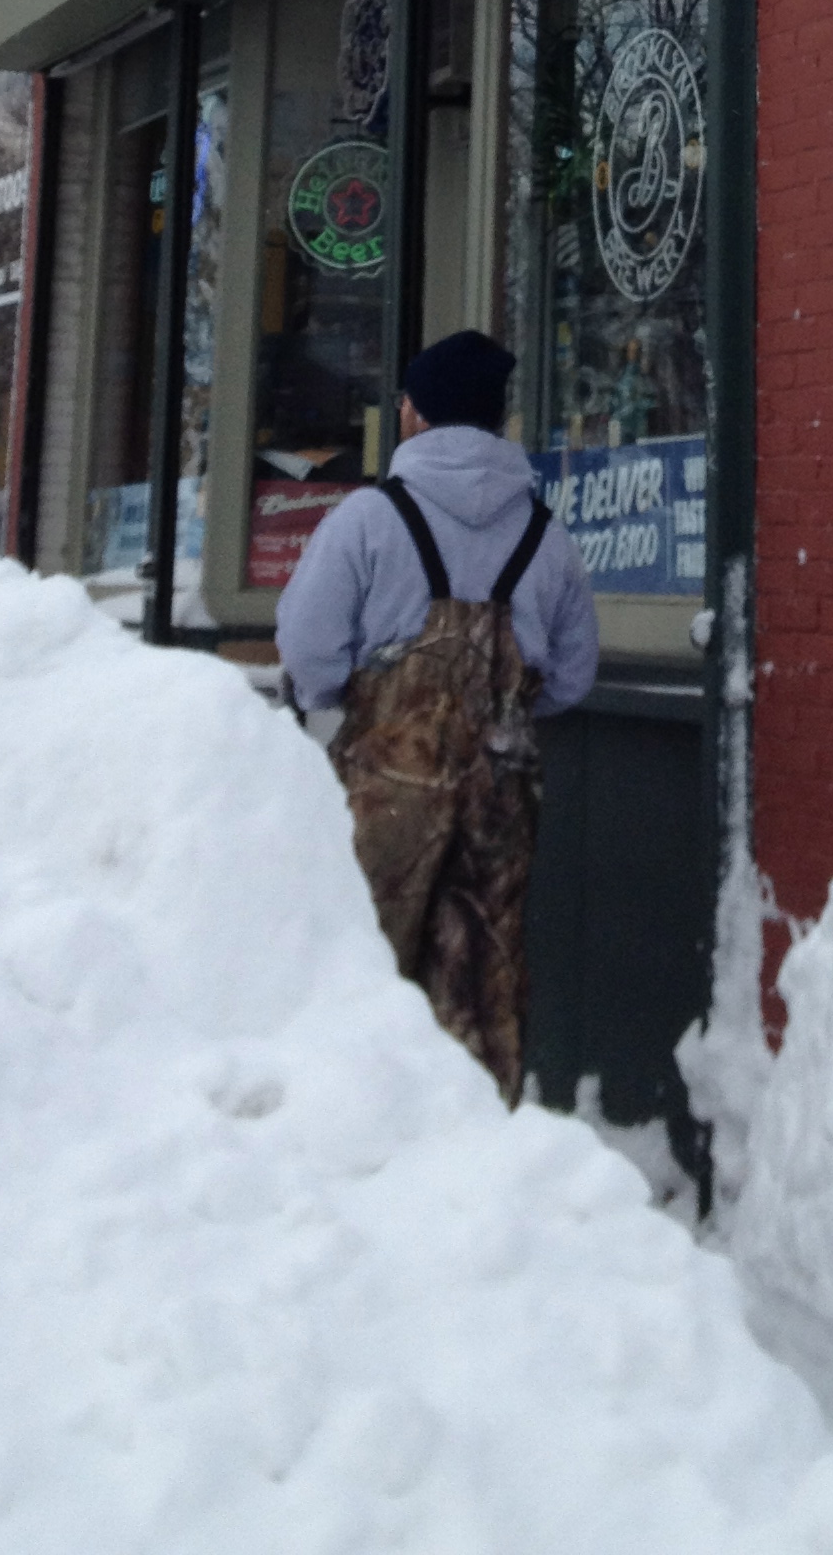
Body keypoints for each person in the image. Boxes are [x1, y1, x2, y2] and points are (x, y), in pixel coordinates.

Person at [276, 329, 598, 1099]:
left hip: (387, 781)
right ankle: (476, 1148)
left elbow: (308, 645)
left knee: (365, 957)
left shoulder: (368, 519)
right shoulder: (546, 537)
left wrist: (351, 697)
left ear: (416, 415)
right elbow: (574, 674)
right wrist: (506, 706)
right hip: (502, 786)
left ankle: (357, 1129)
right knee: (481, 971)